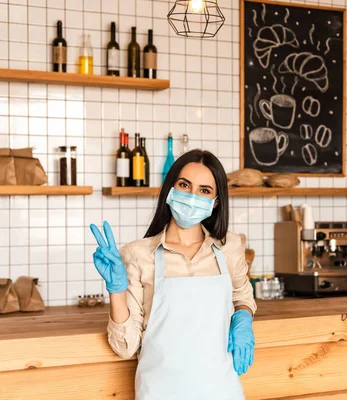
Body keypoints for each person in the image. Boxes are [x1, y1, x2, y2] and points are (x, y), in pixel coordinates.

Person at [89, 149, 256, 400]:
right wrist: (116, 290)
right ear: (170, 190)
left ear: (216, 201)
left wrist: (243, 318)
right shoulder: (137, 255)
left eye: (204, 190)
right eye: (184, 185)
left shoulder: (229, 247)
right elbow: (126, 347)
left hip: (222, 390)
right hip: (161, 392)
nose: (191, 196)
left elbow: (243, 296)